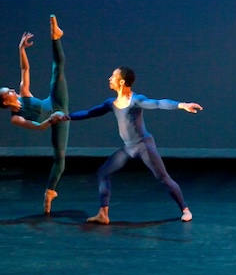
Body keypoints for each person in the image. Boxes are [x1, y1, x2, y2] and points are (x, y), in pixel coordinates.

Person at [66, 66, 202, 224]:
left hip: (144, 145)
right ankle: (103, 214)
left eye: (113, 76)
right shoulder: (111, 103)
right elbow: (90, 113)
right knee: (103, 172)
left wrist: (181, 105)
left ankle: (185, 209)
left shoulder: (135, 100)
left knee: (163, 178)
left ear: (122, 81)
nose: (109, 78)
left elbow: (157, 103)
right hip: (128, 148)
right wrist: (66, 117)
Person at [0, 15, 69, 214]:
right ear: (5, 101)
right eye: (7, 91)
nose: (11, 89)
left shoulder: (23, 92)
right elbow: (38, 127)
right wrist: (53, 119)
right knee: (59, 159)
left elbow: (25, 68)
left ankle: (55, 36)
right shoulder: (16, 118)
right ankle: (49, 192)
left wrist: (21, 49)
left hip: (55, 101)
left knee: (57, 69)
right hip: (55, 121)